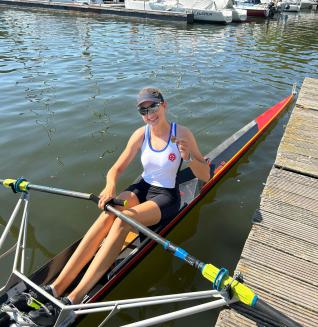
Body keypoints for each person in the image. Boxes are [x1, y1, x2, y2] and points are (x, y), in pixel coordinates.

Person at [21, 87, 210, 325]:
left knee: (122, 221)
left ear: (164, 105)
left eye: (153, 107)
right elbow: (116, 169)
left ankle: (74, 298)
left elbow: (205, 175)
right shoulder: (141, 134)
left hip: (166, 196)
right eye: (143, 110)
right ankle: (56, 288)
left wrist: (190, 158)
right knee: (107, 214)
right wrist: (110, 186)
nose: (149, 114)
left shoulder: (182, 133)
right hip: (141, 187)